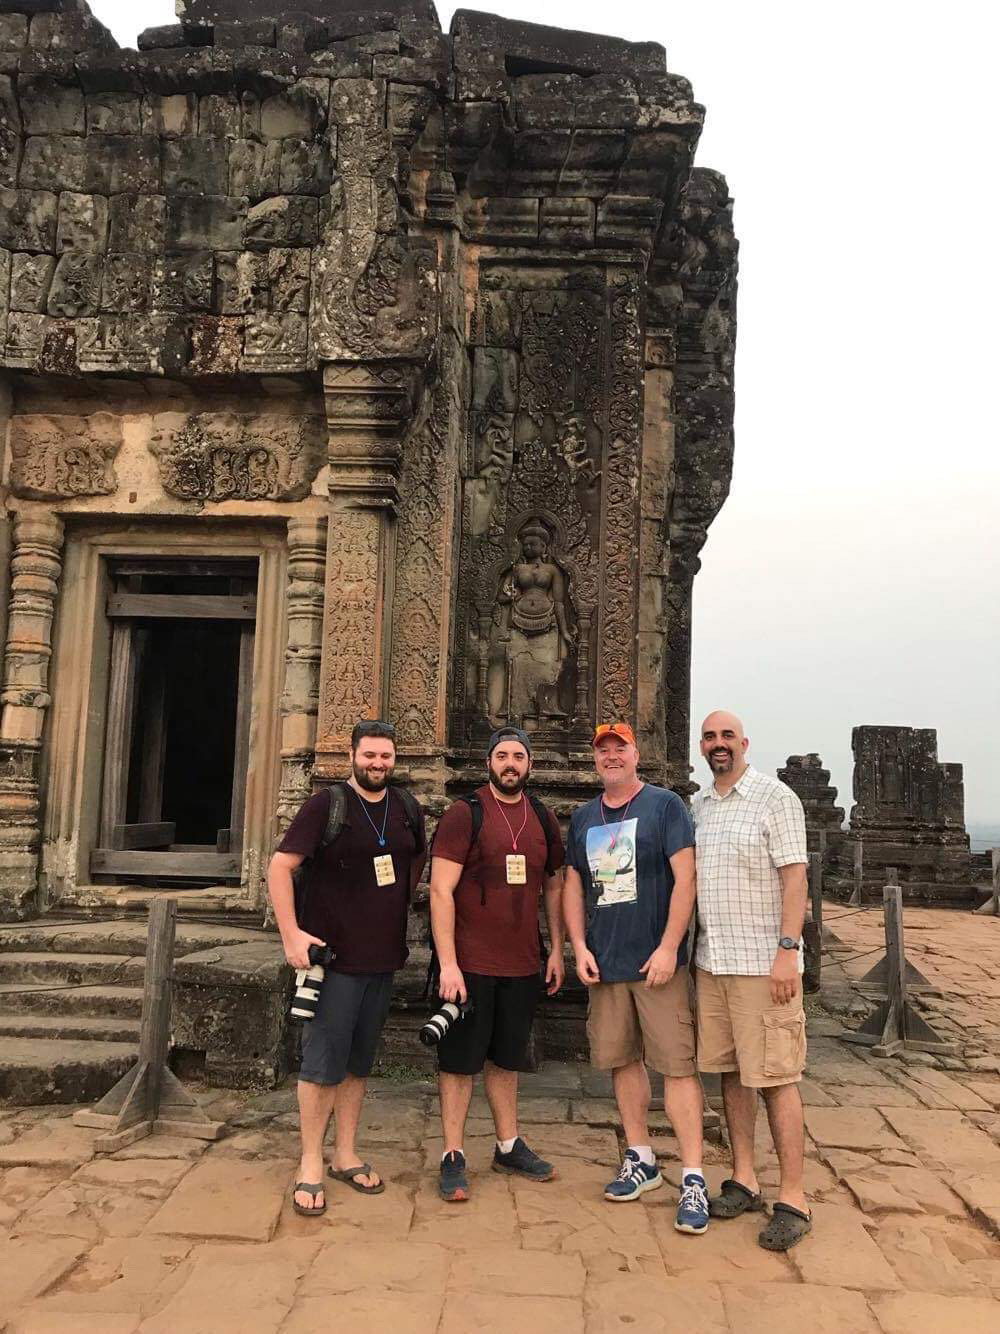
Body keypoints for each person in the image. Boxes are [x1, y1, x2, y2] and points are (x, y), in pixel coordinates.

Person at [268, 720, 426, 1217]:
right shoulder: (327, 805)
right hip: (333, 960)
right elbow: (280, 866)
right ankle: (311, 1160)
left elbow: (414, 861)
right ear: (352, 756)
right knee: (322, 1063)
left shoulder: (405, 807)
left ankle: (346, 1152)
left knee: (359, 1060)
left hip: (382, 956)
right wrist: (291, 934)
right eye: (369, 755)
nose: (377, 764)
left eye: (385, 756)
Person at [563, 722, 709, 1234]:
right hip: (606, 961)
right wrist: (578, 945)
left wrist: (671, 946)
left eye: (619, 748)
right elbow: (574, 885)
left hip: (656, 963)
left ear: (636, 754)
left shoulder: (666, 807)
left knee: (677, 1065)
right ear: (595, 760)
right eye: (603, 751)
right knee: (621, 1060)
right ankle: (640, 1155)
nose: (611, 757)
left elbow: (685, 879)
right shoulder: (583, 817)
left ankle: (692, 1175)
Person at [429, 726, 565, 1201]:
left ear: (529, 765)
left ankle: (508, 1144)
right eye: (503, 755)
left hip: (523, 961)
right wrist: (448, 964)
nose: (511, 764)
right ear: (489, 763)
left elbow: (554, 884)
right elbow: (441, 889)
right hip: (470, 963)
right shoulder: (464, 814)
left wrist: (557, 949)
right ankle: (452, 1153)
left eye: (519, 757)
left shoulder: (542, 817)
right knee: (460, 1061)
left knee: (506, 1058)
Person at [692, 710, 810, 1251]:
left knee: (778, 1077)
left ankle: (794, 1196)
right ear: (702, 746)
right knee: (732, 1074)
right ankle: (744, 1176)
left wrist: (788, 951)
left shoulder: (774, 798)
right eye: (710, 737)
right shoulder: (700, 807)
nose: (719, 745)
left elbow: (795, 878)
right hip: (712, 962)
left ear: (744, 743)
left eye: (727, 737)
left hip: (764, 965)